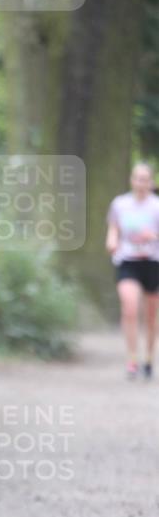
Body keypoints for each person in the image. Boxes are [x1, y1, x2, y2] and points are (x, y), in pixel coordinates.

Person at [106, 162, 159, 379]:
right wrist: (111, 242)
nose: (141, 183)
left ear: (151, 182)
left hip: (153, 262)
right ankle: (132, 359)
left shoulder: (156, 206)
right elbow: (113, 229)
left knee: (151, 316)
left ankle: (148, 358)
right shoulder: (120, 204)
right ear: (131, 180)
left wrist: (153, 237)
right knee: (129, 307)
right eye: (138, 178)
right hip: (128, 261)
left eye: (145, 179)